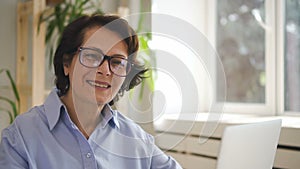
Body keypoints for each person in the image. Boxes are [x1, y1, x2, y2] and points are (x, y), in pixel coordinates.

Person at [0, 14, 182, 169]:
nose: (105, 70)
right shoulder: (21, 137)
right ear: (66, 64)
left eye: (117, 62)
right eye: (92, 56)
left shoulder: (138, 141)